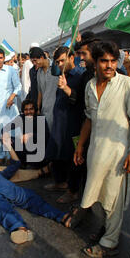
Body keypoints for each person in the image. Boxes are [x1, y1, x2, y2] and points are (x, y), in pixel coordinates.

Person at [71, 41, 130, 258]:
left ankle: (110, 242)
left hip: (118, 153)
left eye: (113, 61)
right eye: (104, 61)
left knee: (113, 199)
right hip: (95, 152)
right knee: (95, 197)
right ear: (96, 62)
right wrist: (80, 146)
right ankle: (106, 229)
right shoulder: (90, 86)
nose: (109, 65)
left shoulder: (129, 85)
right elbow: (89, 120)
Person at [0, 134, 70, 245]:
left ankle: (63, 217)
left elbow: (16, 164)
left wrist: (9, 146)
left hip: (12, 190)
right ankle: (21, 230)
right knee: (2, 209)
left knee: (33, 198)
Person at [45, 46, 85, 202]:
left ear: (72, 57)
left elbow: (79, 100)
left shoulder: (80, 76)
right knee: (56, 152)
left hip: (73, 123)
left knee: (72, 156)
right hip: (59, 121)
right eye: (57, 61)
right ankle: (60, 182)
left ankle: (73, 190)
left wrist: (66, 88)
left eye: (62, 60)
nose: (60, 64)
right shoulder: (62, 75)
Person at [2, 99, 49, 170]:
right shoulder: (21, 118)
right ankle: (20, 163)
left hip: (39, 152)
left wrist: (31, 135)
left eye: (31, 109)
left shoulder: (40, 119)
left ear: (35, 110)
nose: (28, 112)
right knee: (7, 139)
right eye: (26, 110)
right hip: (26, 149)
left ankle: (35, 164)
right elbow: (6, 127)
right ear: (23, 111)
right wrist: (5, 133)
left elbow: (46, 137)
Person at [32, 47, 57, 132]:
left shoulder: (56, 67)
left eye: (35, 61)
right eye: (33, 61)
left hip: (56, 109)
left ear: (42, 58)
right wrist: (38, 108)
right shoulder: (39, 72)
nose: (34, 64)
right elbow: (40, 92)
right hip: (45, 110)